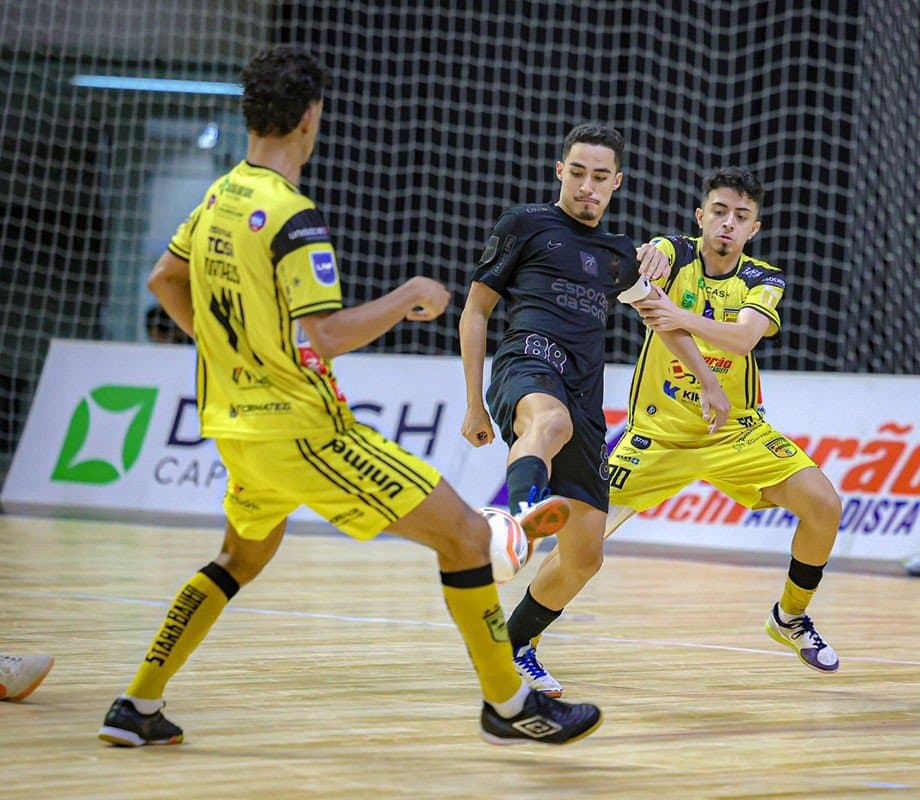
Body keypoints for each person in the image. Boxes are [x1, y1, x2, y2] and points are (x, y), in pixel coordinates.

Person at [98, 44, 602, 748]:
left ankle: (137, 703)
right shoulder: (293, 216)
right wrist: (409, 298)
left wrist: (231, 351)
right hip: (304, 431)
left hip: (235, 429)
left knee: (237, 561)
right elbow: (325, 335)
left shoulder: (218, 197)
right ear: (311, 119)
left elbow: (163, 280)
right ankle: (510, 703)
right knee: (459, 539)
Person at [520, 168, 843, 694]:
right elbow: (657, 255)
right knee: (580, 547)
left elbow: (742, 340)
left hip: (735, 434)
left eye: (740, 217)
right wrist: (657, 260)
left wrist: (676, 315)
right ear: (701, 216)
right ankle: (521, 644)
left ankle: (790, 616)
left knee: (825, 505)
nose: (727, 224)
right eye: (718, 211)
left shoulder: (765, 279)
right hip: (655, 438)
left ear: (753, 229)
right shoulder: (674, 254)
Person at [459, 124, 728, 695]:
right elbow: (476, 311)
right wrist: (472, 404)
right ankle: (518, 518)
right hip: (528, 359)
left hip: (586, 394)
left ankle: (514, 647)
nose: (587, 186)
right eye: (577, 173)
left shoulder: (616, 256)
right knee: (546, 422)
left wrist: (706, 378)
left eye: (599, 177)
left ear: (616, 183)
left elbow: (663, 319)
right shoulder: (525, 226)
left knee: (585, 556)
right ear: (560, 171)